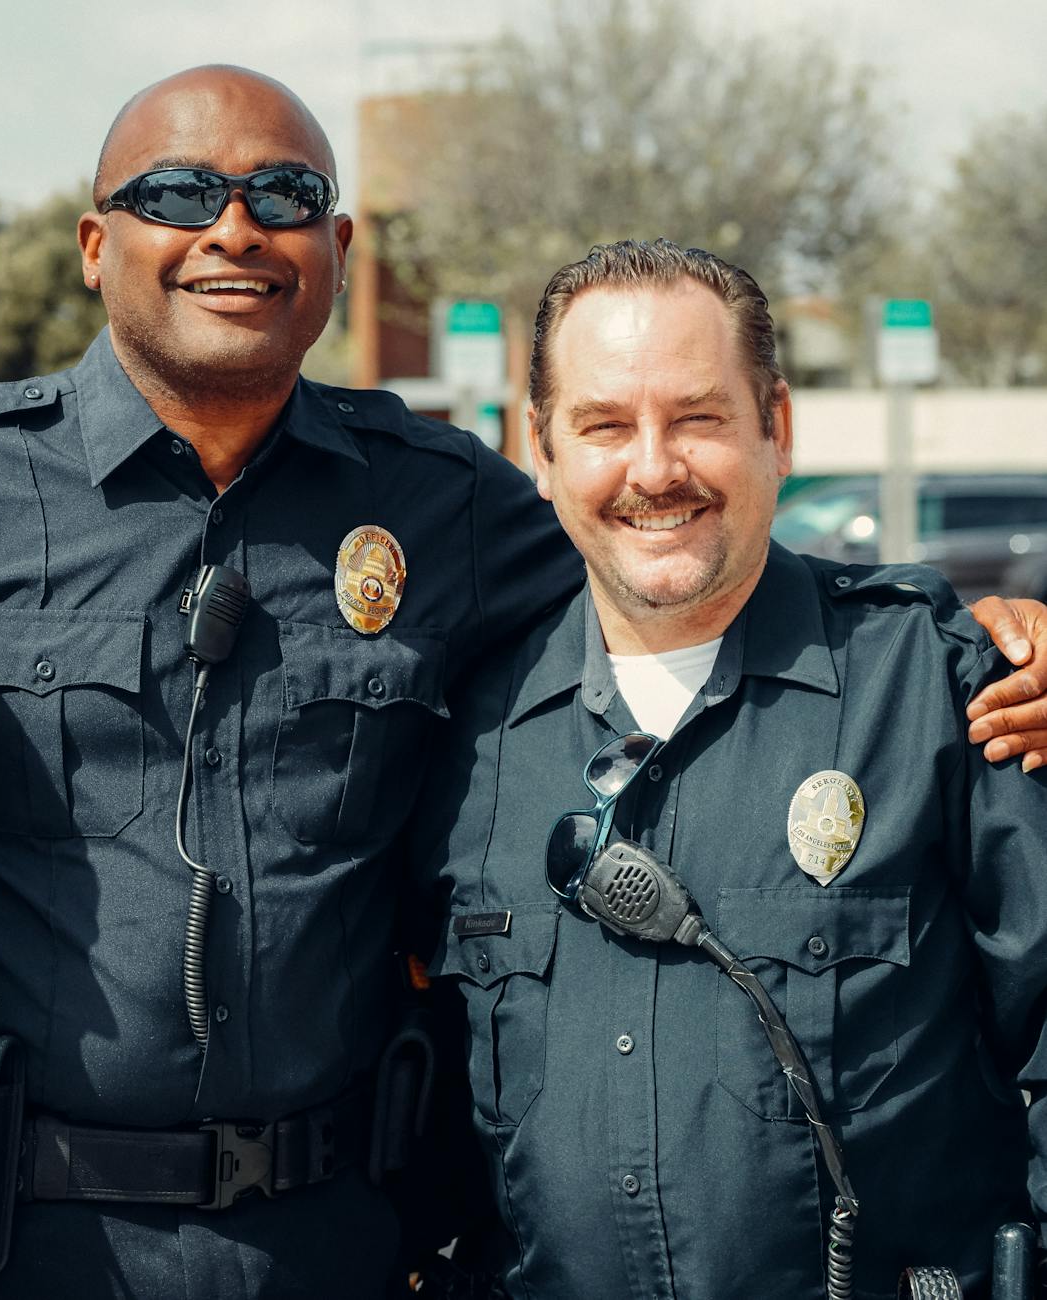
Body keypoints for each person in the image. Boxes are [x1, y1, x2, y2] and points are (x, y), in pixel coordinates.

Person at [0, 71, 1046, 1299]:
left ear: (336, 248)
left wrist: (990, 632)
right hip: (25, 1245)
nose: (232, 226)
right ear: (92, 244)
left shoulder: (444, 504)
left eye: (280, 196)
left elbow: (679, 562)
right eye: (176, 194)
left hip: (349, 1234)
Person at [413, 240, 1047, 1298]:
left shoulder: (936, 685)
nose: (652, 468)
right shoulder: (464, 736)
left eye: (697, 417)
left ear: (775, 428)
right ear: (542, 449)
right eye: (604, 425)